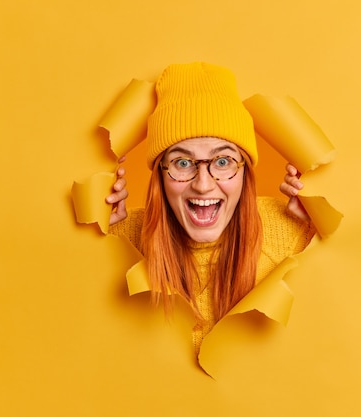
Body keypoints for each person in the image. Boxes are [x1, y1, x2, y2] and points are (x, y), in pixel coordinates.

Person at [106, 62, 316, 355]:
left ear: (245, 170)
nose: (203, 185)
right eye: (182, 163)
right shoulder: (124, 238)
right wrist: (103, 240)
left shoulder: (290, 231)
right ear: (160, 175)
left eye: (222, 162)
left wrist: (314, 229)